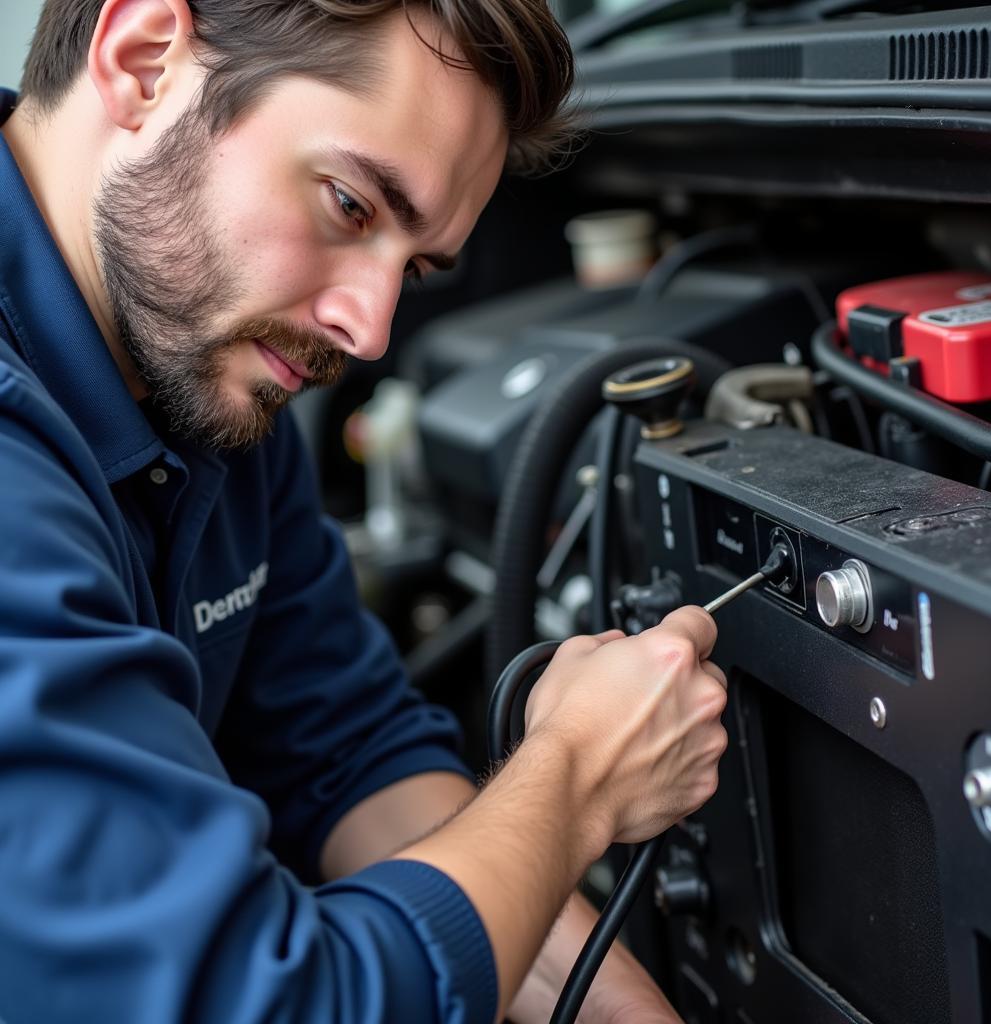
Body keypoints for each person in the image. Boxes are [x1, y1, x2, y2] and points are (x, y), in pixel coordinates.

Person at [0, 1, 729, 1021]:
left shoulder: (188, 359)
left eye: (415, 265)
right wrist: (571, 781)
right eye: (349, 205)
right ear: (144, 58)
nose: (371, 326)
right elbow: (258, 1001)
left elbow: (345, 755)